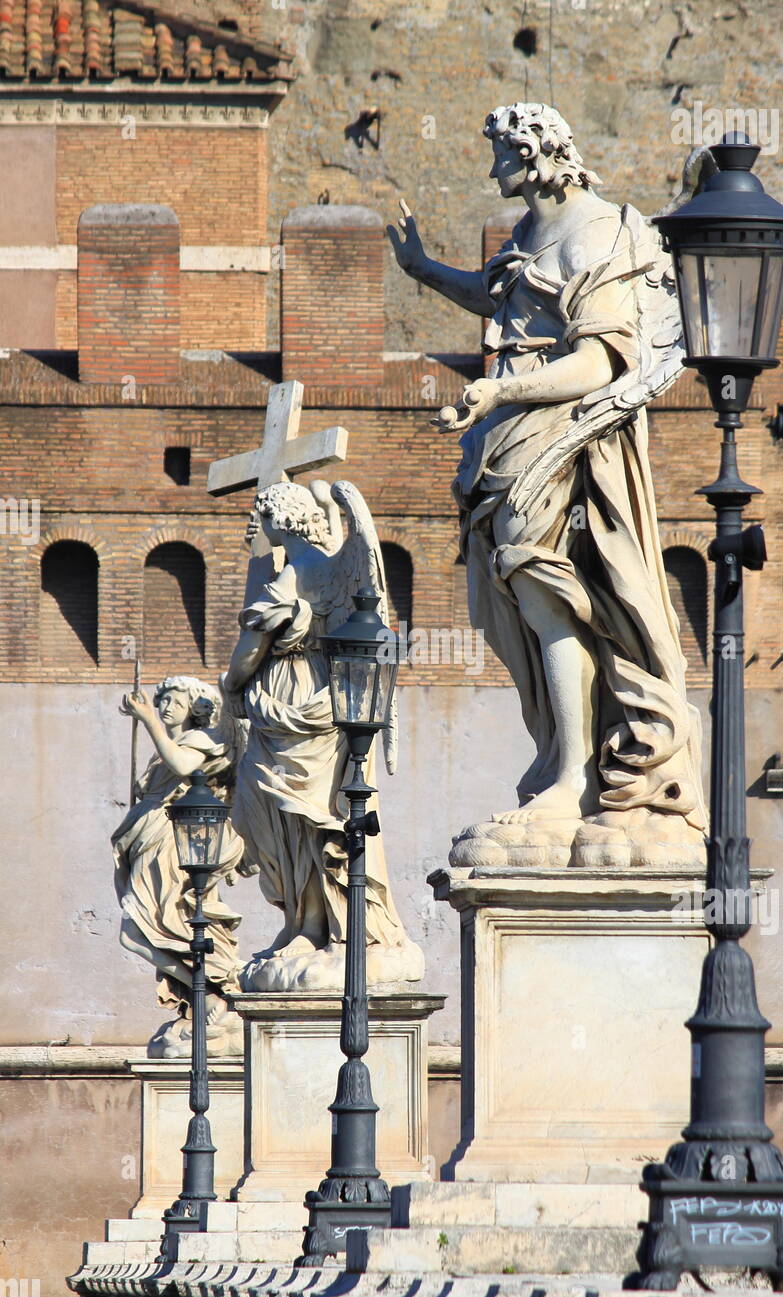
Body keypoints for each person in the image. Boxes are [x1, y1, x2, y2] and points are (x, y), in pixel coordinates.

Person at [387, 102, 706, 866]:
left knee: (547, 588)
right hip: (511, 433)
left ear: (536, 152)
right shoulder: (529, 232)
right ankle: (563, 753)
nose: (491, 164)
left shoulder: (599, 231)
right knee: (521, 602)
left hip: (567, 434)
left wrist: (499, 392)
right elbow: (508, 307)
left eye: (501, 150)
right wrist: (425, 270)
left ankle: (572, 775)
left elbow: (601, 361)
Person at [223, 479, 423, 989]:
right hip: (313, 704)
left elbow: (250, 644)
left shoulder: (294, 573)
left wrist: (233, 683)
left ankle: (332, 927)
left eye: (263, 517)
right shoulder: (320, 566)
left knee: (310, 819)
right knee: (305, 819)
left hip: (298, 703)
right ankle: (306, 925)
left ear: (277, 521)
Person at [113, 675, 245, 1055]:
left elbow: (185, 766)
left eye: (173, 700)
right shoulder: (165, 747)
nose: (165, 706)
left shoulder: (199, 741)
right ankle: (201, 992)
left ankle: (212, 989)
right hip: (148, 839)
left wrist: (146, 720)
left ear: (195, 707)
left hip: (172, 844)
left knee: (141, 929)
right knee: (139, 931)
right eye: (161, 700)